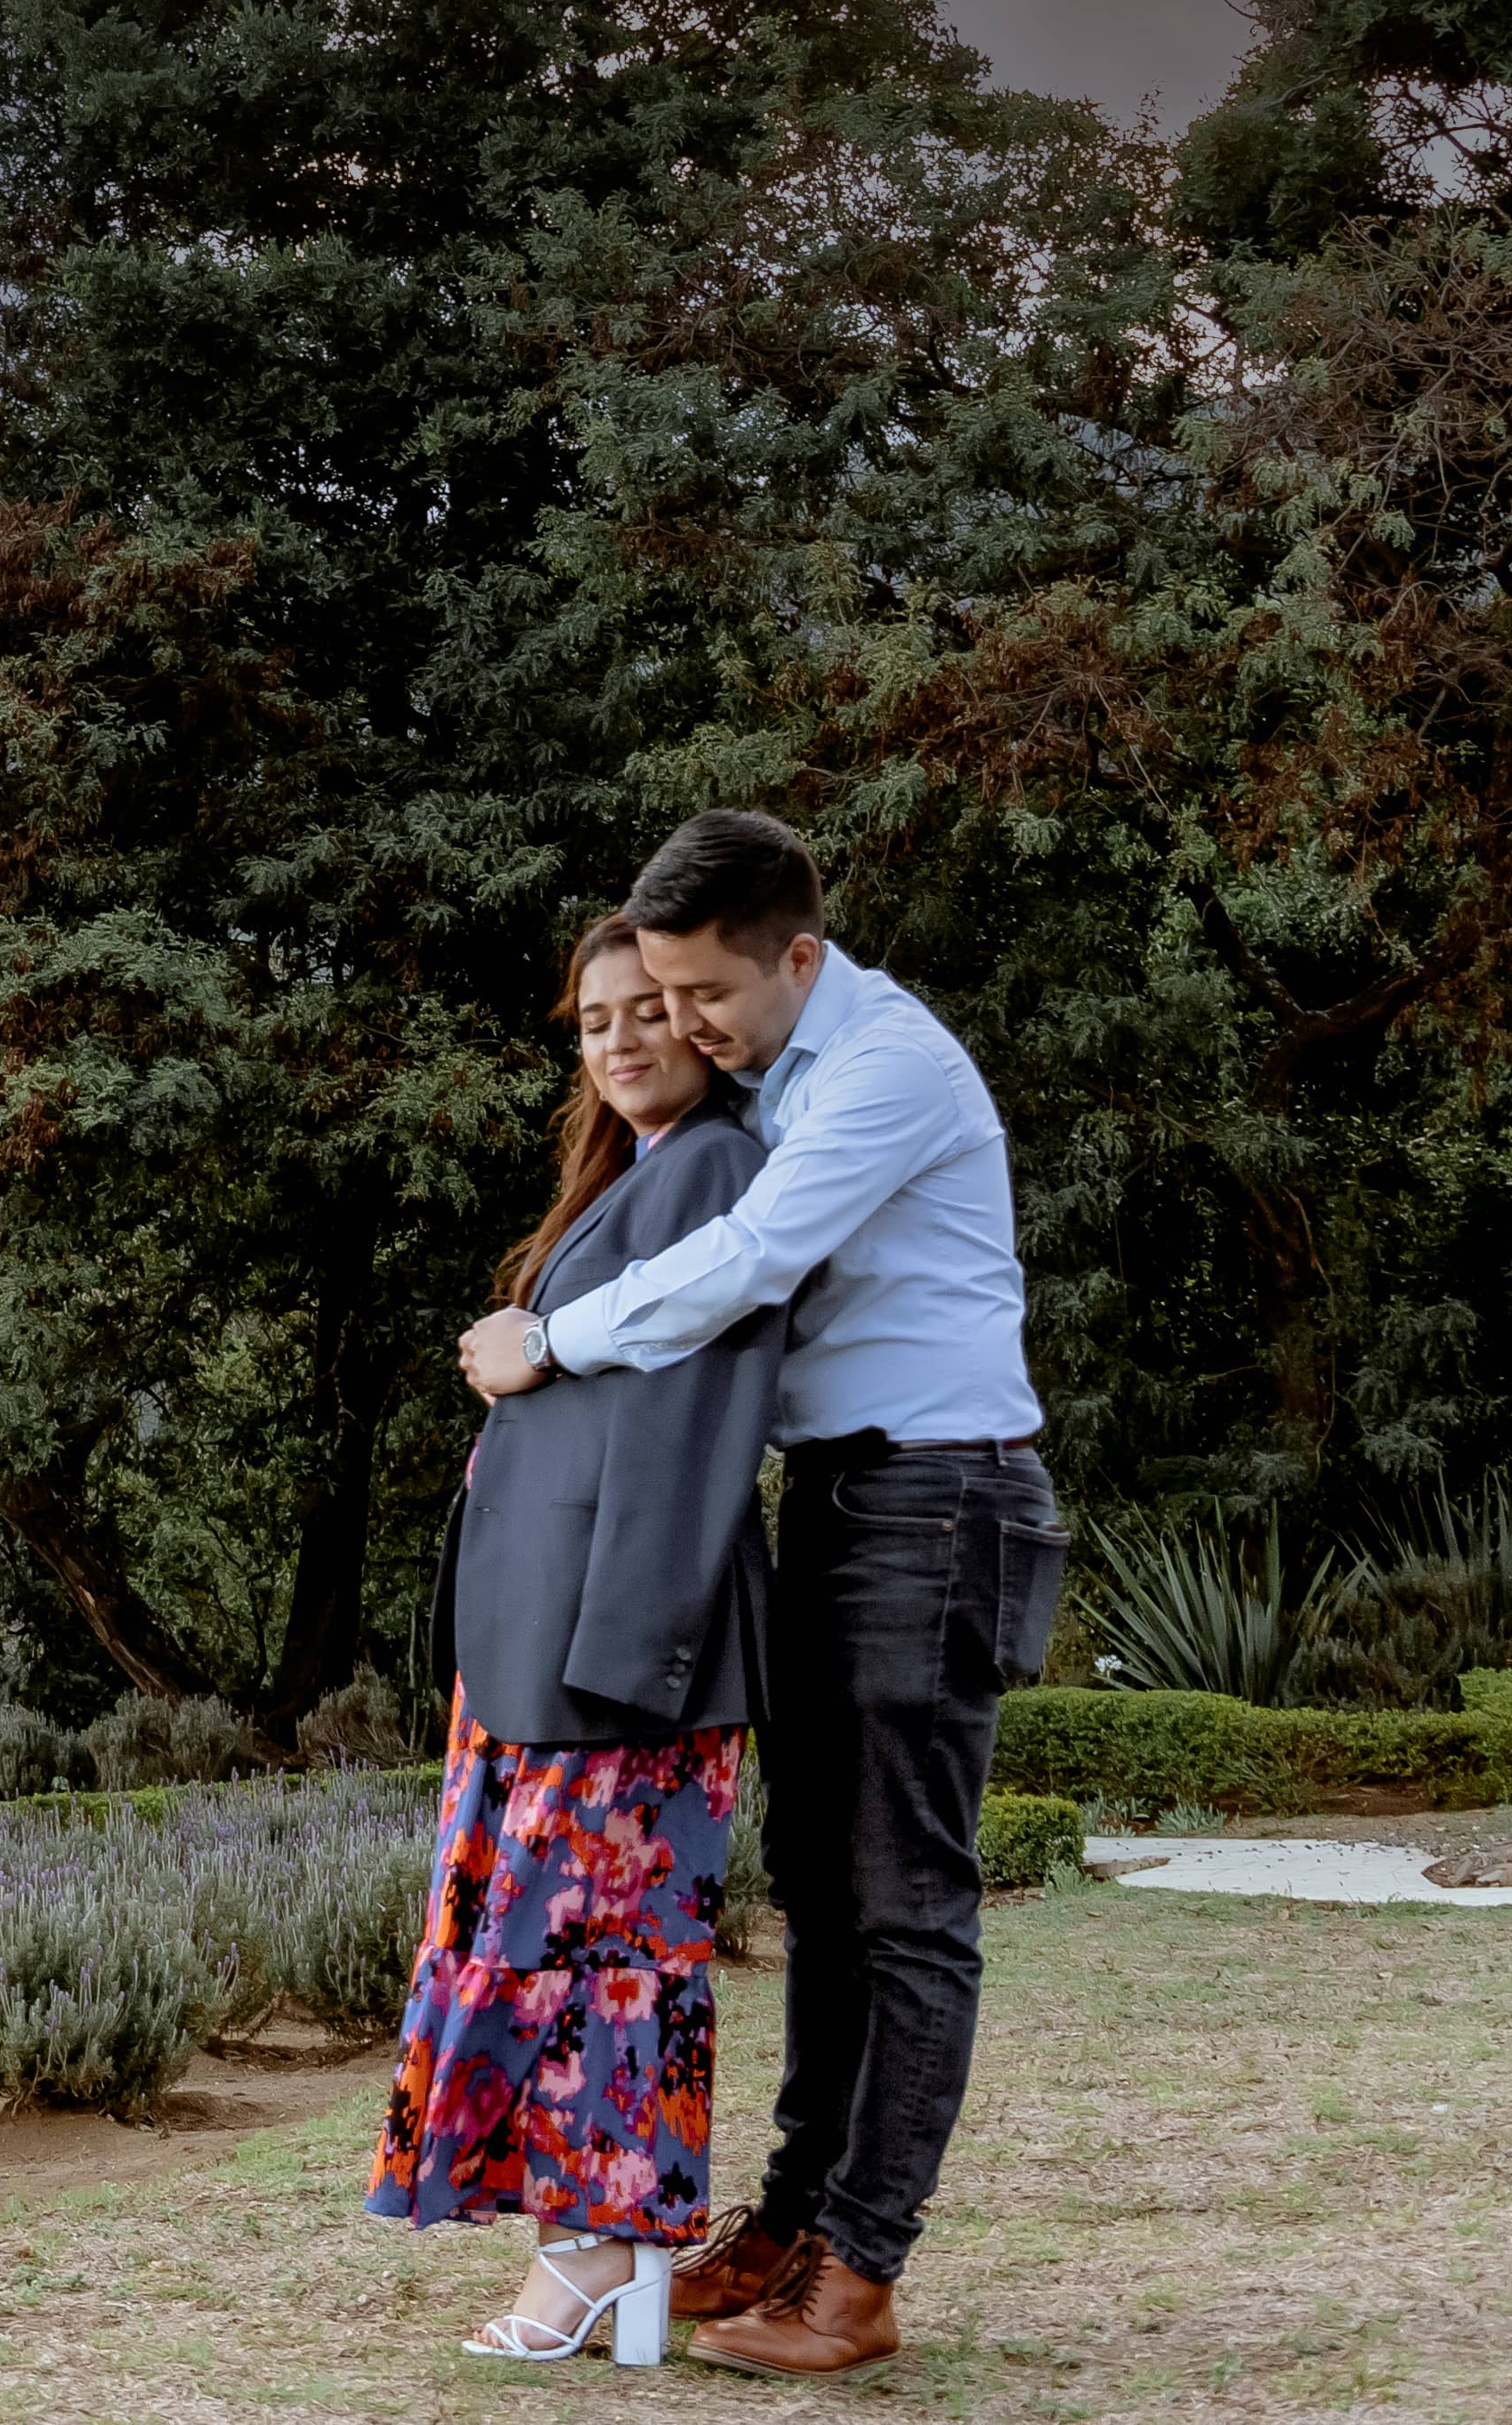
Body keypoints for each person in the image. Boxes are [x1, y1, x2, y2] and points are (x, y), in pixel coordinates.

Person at [451, 810, 1053, 2382]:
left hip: (943, 1495)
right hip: (850, 1498)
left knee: (907, 1902)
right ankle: (790, 2223)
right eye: (655, 992)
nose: (684, 1024)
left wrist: (549, 1336)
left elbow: (754, 1252)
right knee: (824, 1893)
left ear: (799, 954)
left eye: (706, 993)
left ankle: (861, 2270)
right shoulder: (777, 1069)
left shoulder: (883, 1068)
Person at [374, 914, 790, 2365]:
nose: (619, 1039)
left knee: (601, 1953)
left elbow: (690, 1434)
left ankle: (604, 2252)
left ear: (705, 1023)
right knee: (552, 1944)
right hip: (544, 1649)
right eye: (594, 1019)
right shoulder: (638, 1181)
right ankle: (594, 2245)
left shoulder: (720, 1169)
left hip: (614, 1656)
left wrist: (631, 1653)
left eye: (649, 1012)